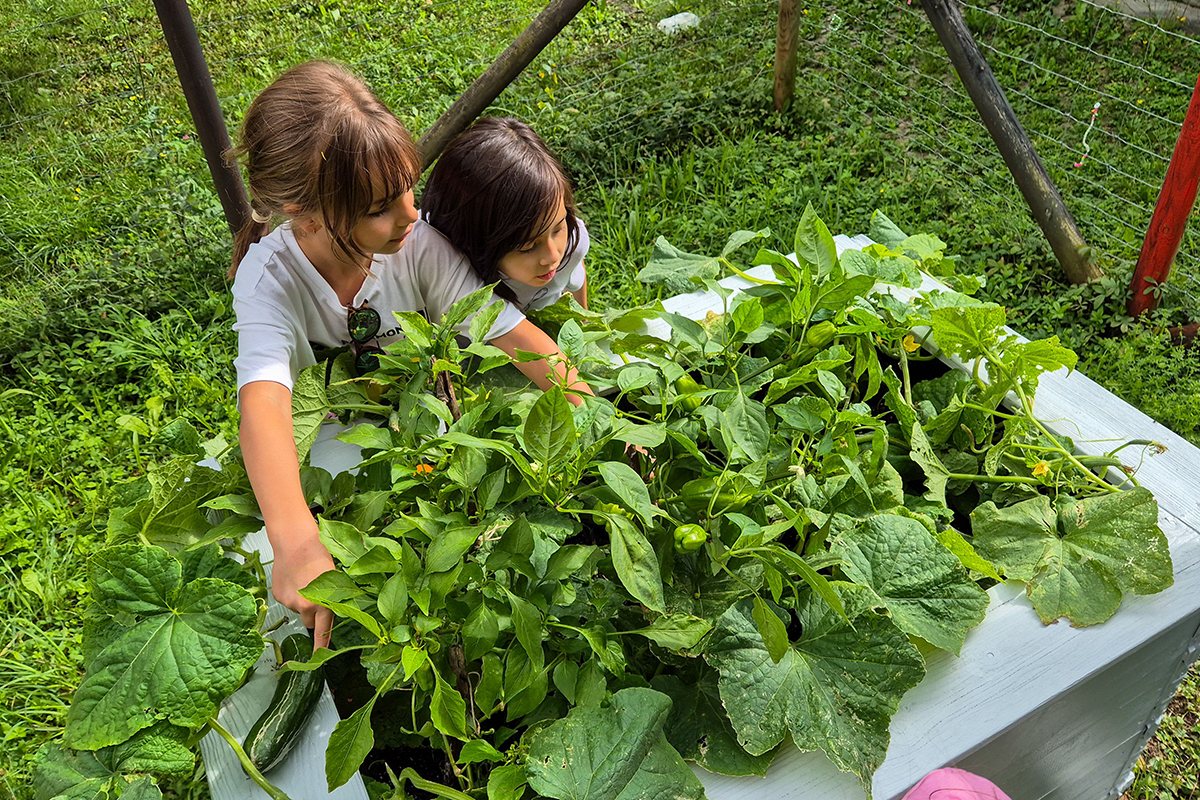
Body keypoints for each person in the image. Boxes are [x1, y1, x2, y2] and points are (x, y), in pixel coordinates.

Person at [227, 61, 590, 651]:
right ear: (305, 212)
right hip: (339, 446)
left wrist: (583, 398)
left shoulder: (417, 248)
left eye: (407, 186)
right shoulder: (269, 281)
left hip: (426, 433)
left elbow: (507, 330)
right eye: (379, 207)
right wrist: (295, 542)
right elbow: (264, 405)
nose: (410, 214)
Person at [421, 116, 589, 314]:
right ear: (475, 242)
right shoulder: (442, 266)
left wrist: (584, 321)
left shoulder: (570, 245)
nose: (553, 256)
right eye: (528, 247)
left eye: (558, 229)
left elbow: (577, 273)